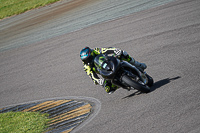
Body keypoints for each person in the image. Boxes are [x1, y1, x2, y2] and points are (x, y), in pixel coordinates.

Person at [80, 47, 147, 94]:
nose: (87, 61)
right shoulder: (86, 66)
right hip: (105, 72)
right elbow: (92, 76)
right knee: (108, 89)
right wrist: (98, 81)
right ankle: (123, 84)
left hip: (110, 62)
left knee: (123, 53)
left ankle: (137, 64)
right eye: (85, 60)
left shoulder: (96, 51)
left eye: (88, 59)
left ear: (91, 54)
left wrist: (115, 50)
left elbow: (107, 49)